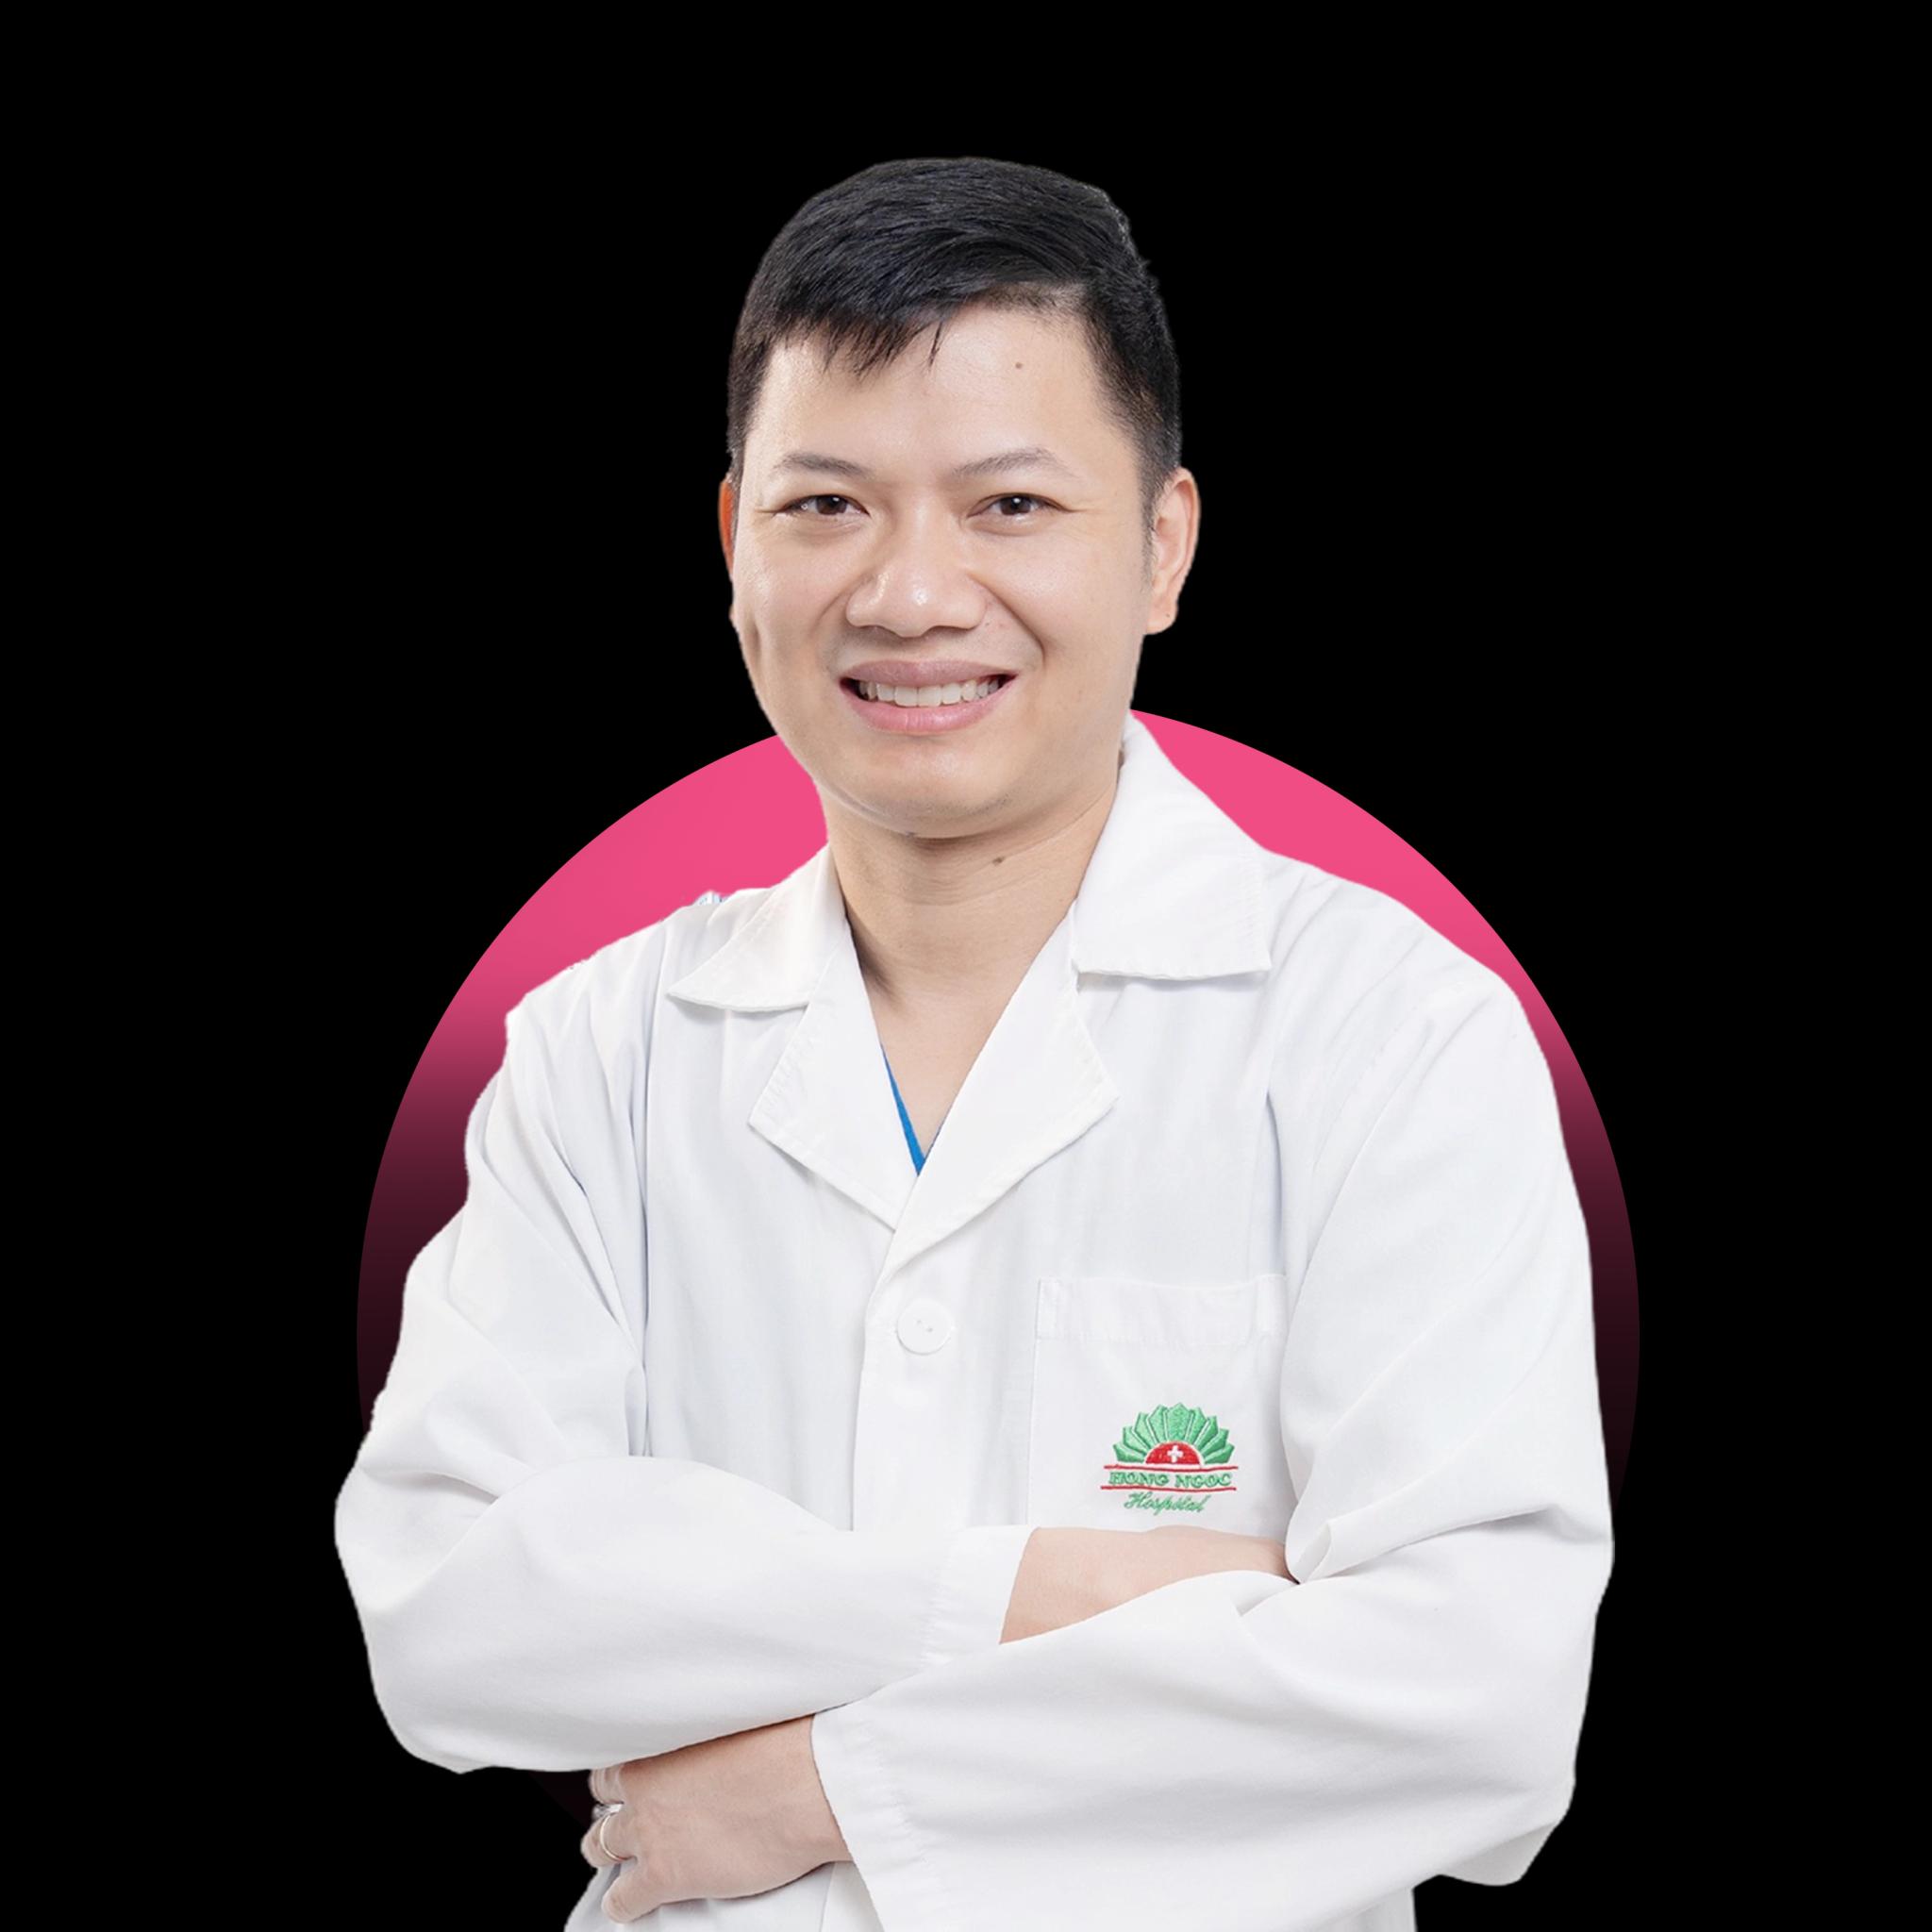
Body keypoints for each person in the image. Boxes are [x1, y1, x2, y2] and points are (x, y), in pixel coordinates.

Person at [334, 156, 1614, 1932]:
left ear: (1162, 544)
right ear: (734, 544)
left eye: (1011, 505)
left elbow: (1472, 1708)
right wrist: (1032, 1595)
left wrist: (824, 1790)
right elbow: (449, 1615)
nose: (913, 594)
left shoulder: (1390, 1037)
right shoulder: (598, 1054)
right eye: (827, 505)